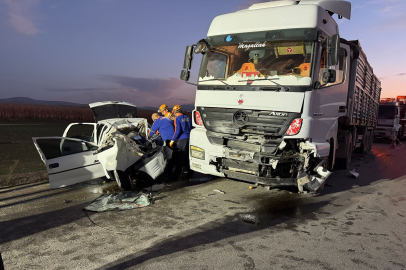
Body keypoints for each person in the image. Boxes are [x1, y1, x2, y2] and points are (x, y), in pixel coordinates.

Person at [170, 105, 192, 178]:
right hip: (189, 139)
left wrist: (172, 140)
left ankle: (176, 175)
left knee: (179, 157)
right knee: (187, 156)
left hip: (182, 139)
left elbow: (177, 130)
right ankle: (189, 172)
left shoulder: (177, 119)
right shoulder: (188, 118)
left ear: (174, 112)